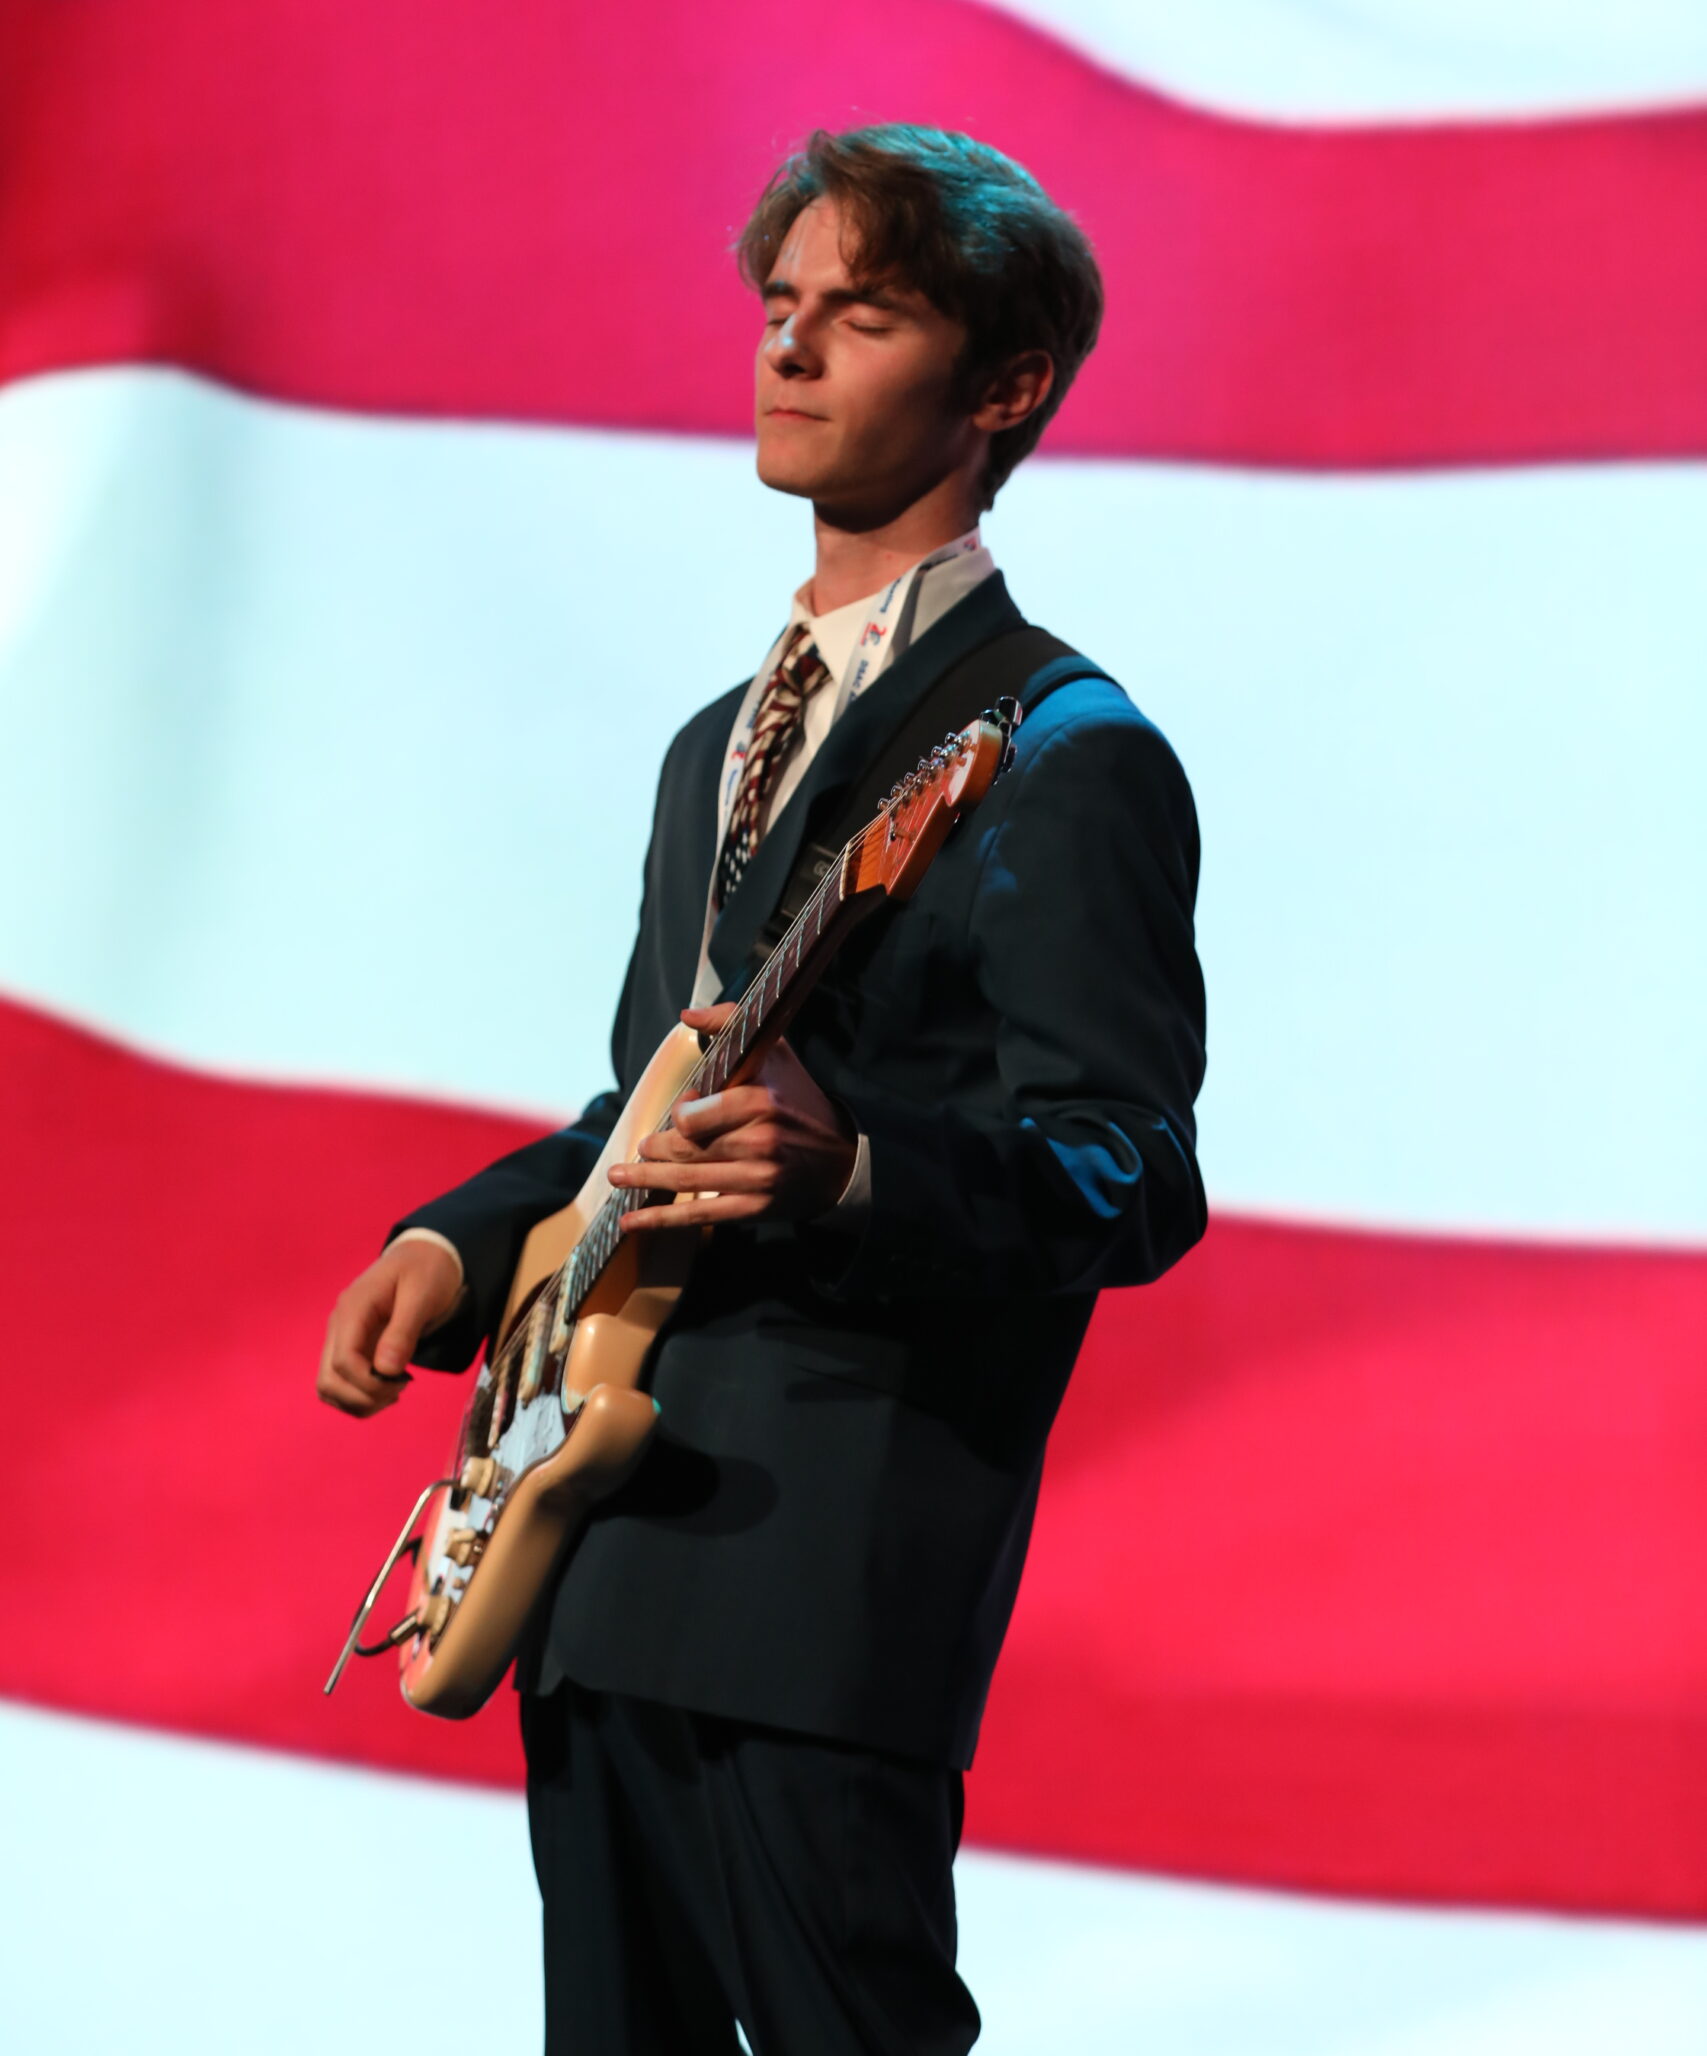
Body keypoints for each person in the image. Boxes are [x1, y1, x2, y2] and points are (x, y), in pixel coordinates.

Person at [317, 124, 1207, 2055]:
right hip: (585, 1552)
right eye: (780, 306)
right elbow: (644, 1109)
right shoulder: (712, 745)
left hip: (817, 1596)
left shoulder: (1064, 752)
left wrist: (859, 1171)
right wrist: (454, 1247)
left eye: (859, 315)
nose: (787, 348)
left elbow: (1132, 1173)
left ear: (1005, 384)